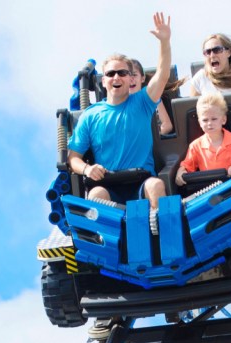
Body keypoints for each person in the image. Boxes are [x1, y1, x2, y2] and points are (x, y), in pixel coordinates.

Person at [67, 12, 172, 211]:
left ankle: (161, 234)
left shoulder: (142, 102)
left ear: (130, 78)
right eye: (111, 73)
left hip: (141, 180)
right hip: (109, 184)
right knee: (96, 195)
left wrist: (164, 42)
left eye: (123, 73)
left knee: (156, 185)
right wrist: (88, 169)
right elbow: (73, 158)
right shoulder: (90, 115)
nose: (117, 77)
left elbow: (163, 73)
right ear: (103, 80)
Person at [175, 93, 231, 186]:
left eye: (214, 119)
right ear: (199, 122)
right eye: (205, 120)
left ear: (223, 120)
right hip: (209, 191)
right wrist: (180, 173)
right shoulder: (195, 146)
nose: (209, 123)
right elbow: (186, 166)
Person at [130, 58, 173, 135]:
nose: (131, 79)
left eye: (134, 75)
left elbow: (167, 125)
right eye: (127, 75)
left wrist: (152, 136)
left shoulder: (153, 97)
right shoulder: (119, 103)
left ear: (142, 78)